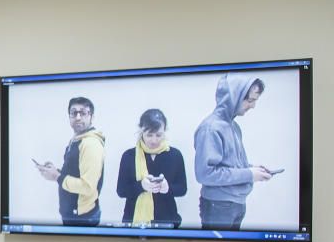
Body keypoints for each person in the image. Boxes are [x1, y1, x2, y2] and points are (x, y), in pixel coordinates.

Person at [194, 74, 272, 230]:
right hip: (219, 206)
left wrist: (252, 168)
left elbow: (228, 164)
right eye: (249, 101)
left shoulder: (233, 126)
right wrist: (249, 174)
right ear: (233, 97)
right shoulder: (211, 128)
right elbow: (205, 174)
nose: (252, 106)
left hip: (236, 204)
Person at [36, 97, 106, 226]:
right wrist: (56, 171)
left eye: (83, 113)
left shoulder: (90, 143)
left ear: (92, 117)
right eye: (74, 113)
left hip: (83, 218)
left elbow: (88, 187)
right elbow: (75, 173)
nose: (78, 117)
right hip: (73, 214)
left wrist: (57, 177)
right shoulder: (76, 139)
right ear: (69, 117)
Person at [115, 108, 188, 228]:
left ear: (165, 130)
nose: (154, 140)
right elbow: (121, 191)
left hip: (167, 221)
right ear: (141, 131)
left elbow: (182, 189)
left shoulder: (175, 155)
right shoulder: (129, 156)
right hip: (134, 222)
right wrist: (141, 186)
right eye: (149, 135)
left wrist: (167, 188)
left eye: (159, 135)